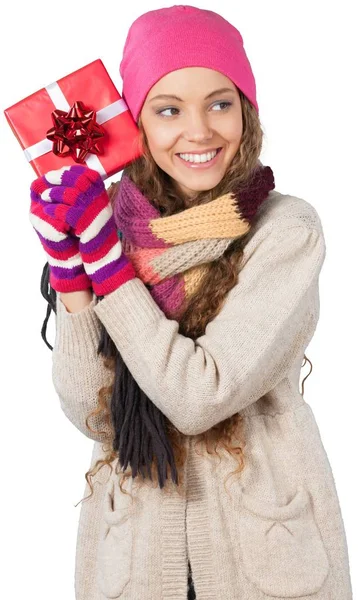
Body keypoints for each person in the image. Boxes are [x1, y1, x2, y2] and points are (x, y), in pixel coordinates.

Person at [28, 5, 353, 600]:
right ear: (137, 124)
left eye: (220, 103)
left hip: (264, 561)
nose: (199, 131)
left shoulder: (286, 231)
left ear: (247, 112)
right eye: (169, 108)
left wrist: (105, 265)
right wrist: (70, 273)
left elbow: (198, 398)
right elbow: (94, 416)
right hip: (134, 558)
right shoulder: (111, 227)